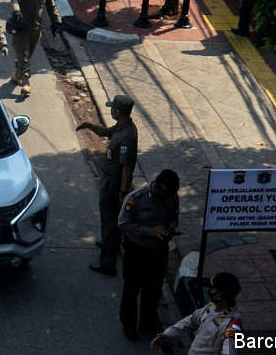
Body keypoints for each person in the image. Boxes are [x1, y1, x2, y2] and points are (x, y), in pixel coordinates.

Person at [78, 93, 138, 276]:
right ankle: (113, 245)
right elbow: (106, 132)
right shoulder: (122, 127)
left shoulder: (127, 136)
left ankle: (108, 263)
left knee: (109, 221)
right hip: (110, 180)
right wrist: (89, 125)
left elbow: (126, 167)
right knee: (113, 221)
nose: (111, 110)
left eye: (113, 108)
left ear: (118, 111)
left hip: (113, 184)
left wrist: (122, 192)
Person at [118, 169, 181, 341]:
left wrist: (171, 229)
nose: (166, 198)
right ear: (156, 186)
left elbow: (174, 216)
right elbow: (123, 224)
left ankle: (147, 323)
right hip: (136, 251)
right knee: (132, 289)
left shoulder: (171, 198)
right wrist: (150, 231)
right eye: (164, 193)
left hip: (159, 252)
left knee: (153, 290)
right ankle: (129, 325)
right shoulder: (136, 198)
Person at [8, 0, 63, 94]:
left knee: (28, 54)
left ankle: (17, 74)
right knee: (24, 55)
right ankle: (26, 82)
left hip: (36, 28)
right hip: (20, 26)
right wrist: (17, 11)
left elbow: (51, 5)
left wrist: (57, 22)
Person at [151, 272, 242, 355]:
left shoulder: (232, 325)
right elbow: (190, 320)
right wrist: (167, 334)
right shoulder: (210, 308)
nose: (209, 290)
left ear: (219, 295)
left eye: (212, 288)